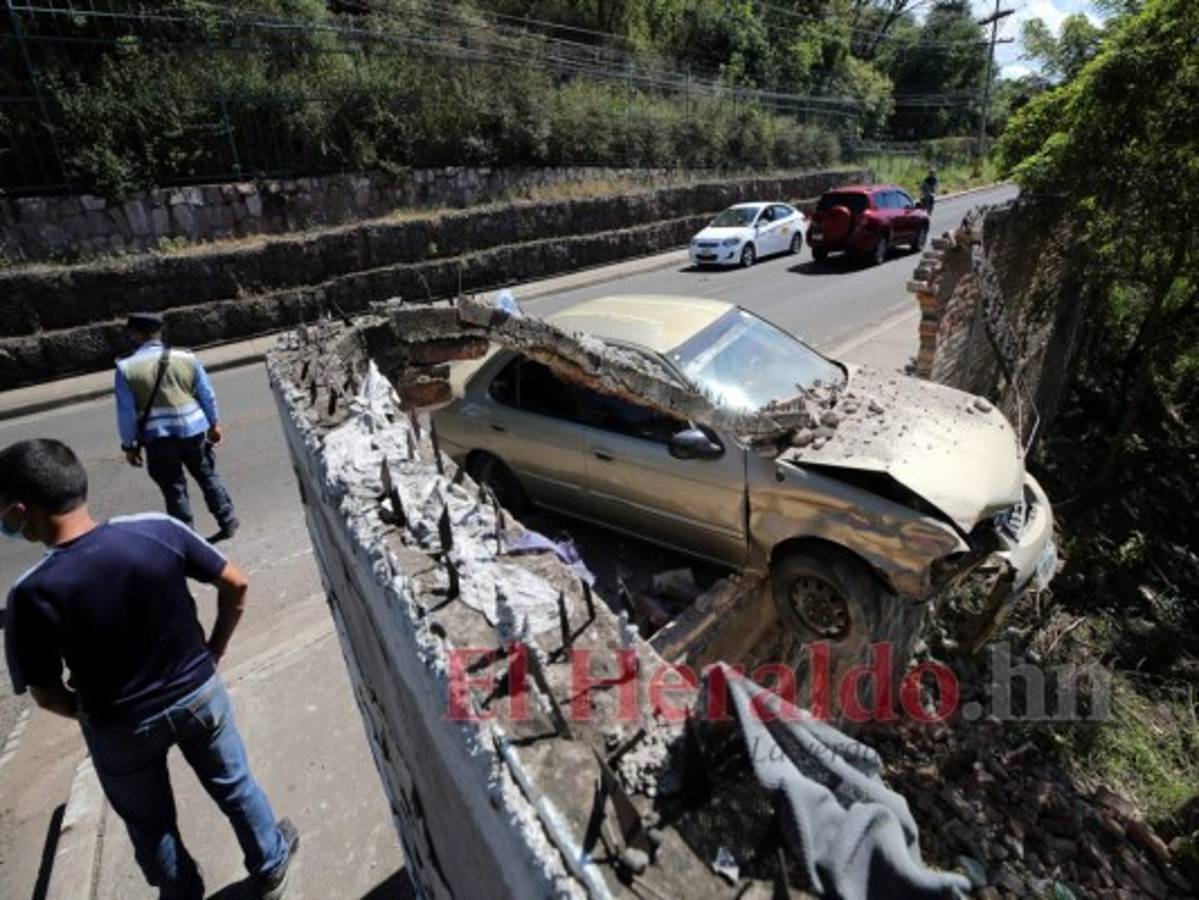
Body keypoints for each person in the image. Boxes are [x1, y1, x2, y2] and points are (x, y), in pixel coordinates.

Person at [1, 439, 297, 899]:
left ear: (21, 510)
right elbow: (236, 584)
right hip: (199, 693)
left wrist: (89, 710)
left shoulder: (29, 595)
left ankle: (182, 894)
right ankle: (270, 864)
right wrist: (213, 651)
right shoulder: (156, 530)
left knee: (151, 825)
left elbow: (45, 693)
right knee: (235, 786)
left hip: (119, 725)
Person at [115, 312, 239, 541]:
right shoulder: (186, 357)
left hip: (158, 439)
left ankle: (187, 538)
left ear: (135, 335)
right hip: (192, 431)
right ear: (159, 332)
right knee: (207, 476)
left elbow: (126, 414)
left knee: (174, 489)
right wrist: (214, 424)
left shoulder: (126, 369)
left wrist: (129, 446)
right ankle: (228, 520)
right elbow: (207, 395)